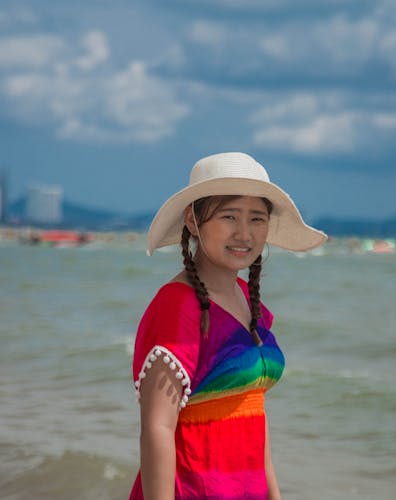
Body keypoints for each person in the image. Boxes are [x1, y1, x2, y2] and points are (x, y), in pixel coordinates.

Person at [130, 152, 327, 499]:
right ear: (192, 220)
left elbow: (253, 415)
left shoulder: (253, 307)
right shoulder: (177, 306)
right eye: (229, 216)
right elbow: (157, 429)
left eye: (256, 219)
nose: (244, 233)